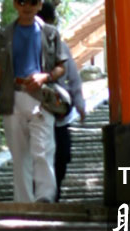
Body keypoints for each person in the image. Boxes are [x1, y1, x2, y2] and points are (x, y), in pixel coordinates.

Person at [0, 0, 71, 203]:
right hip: (11, 96)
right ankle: (23, 202)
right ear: (15, 4)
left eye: (32, 2)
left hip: (40, 96)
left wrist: (44, 76)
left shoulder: (50, 33)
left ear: (40, 5)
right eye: (22, 1)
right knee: (20, 154)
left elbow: (61, 67)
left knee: (43, 148)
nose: (27, 6)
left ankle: (45, 197)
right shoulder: (4, 34)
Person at [37, 3, 87, 203]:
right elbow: (73, 78)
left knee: (56, 153)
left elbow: (72, 76)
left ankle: (49, 194)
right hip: (48, 109)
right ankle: (47, 194)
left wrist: (79, 104)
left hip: (53, 108)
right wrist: (80, 104)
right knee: (55, 154)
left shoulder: (57, 44)